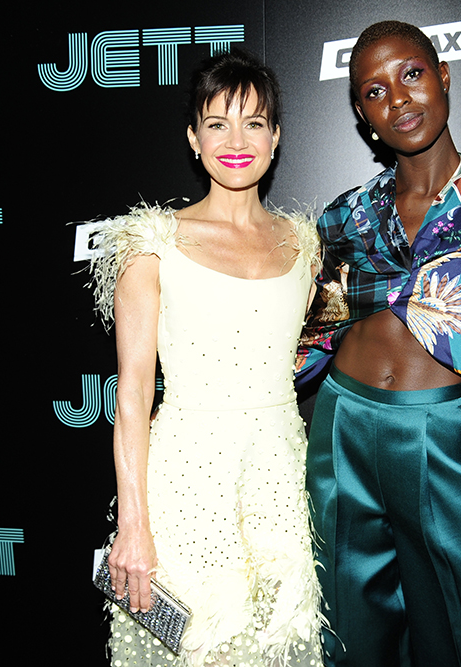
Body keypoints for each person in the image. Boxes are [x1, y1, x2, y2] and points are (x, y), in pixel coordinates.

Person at [297, 21, 461, 667]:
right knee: (349, 624)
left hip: (439, 439)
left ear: (444, 76)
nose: (399, 99)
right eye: (375, 90)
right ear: (362, 114)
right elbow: (314, 334)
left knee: (452, 625)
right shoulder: (345, 215)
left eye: (412, 74)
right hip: (342, 429)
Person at [90, 50, 324, 667]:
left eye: (254, 122)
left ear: (275, 137)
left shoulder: (304, 247)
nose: (237, 140)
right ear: (194, 138)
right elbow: (133, 399)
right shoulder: (152, 245)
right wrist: (133, 527)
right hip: (185, 486)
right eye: (218, 123)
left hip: (278, 483)